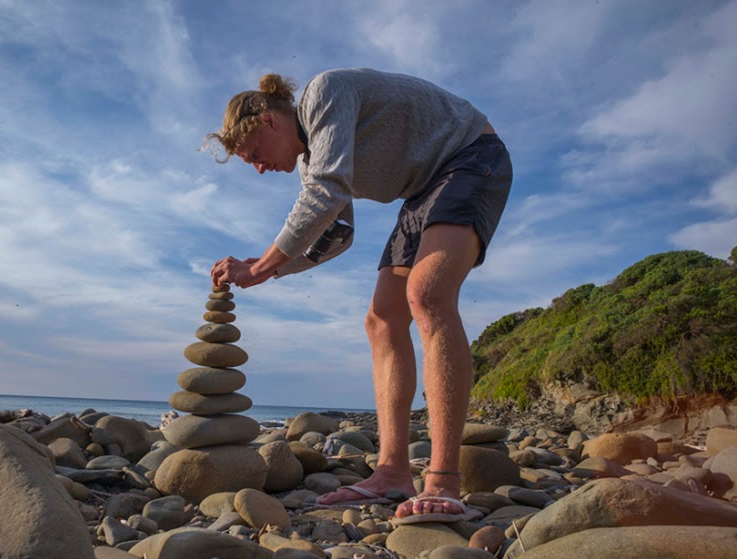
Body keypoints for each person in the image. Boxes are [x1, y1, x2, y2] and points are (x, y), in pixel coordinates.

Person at [204, 68, 512, 522]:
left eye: (254, 155)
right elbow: (337, 234)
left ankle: (444, 480)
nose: (260, 168)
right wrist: (270, 271)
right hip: (422, 191)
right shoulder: (311, 161)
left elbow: (326, 192)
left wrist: (261, 264)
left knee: (427, 295)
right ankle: (391, 472)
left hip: (469, 158)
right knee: (381, 319)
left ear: (269, 122)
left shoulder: (324, 94)